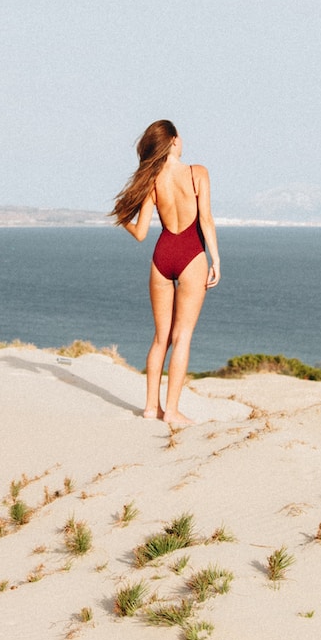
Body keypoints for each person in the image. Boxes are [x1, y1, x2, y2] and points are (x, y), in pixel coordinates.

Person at [112, 120, 220, 425]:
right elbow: (207, 220)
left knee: (161, 338)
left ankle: (150, 407)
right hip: (190, 256)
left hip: (162, 255)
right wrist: (216, 260)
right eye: (180, 136)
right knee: (182, 337)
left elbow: (141, 233)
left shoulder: (152, 180)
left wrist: (124, 220)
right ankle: (171, 411)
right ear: (173, 140)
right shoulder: (198, 173)